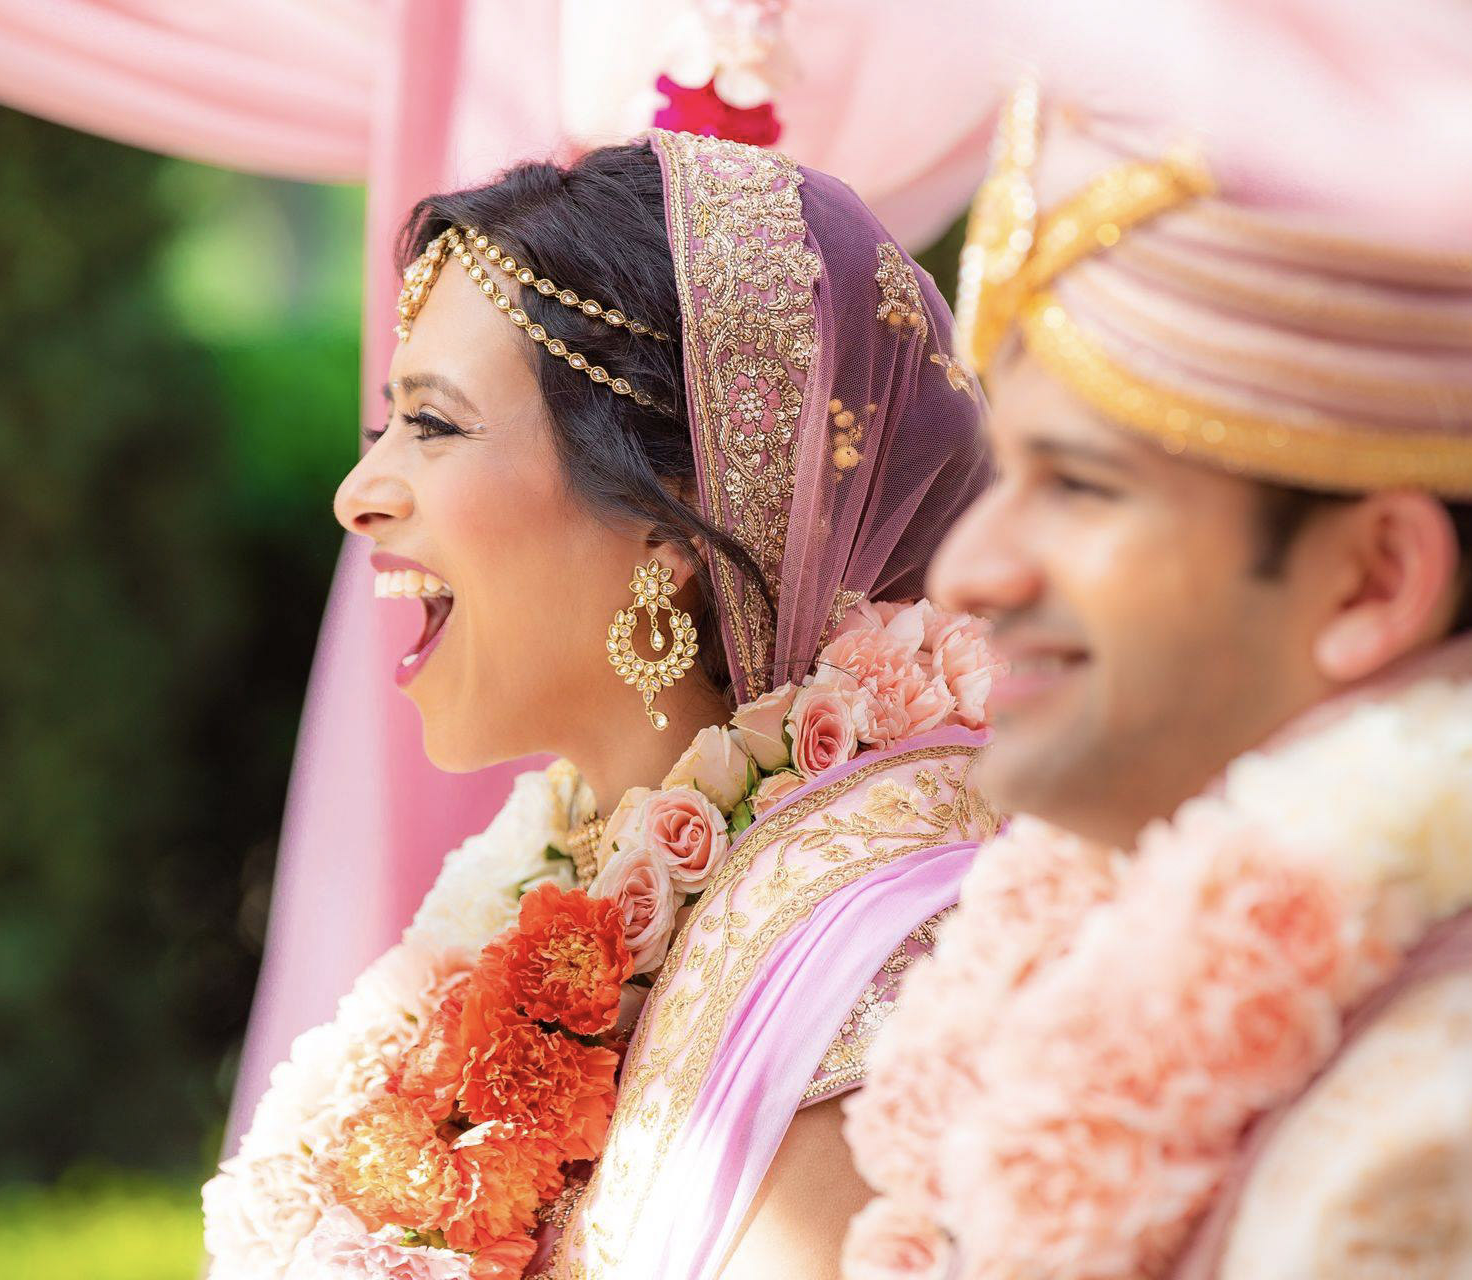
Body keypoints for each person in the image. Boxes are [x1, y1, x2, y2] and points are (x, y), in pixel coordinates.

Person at [203, 130, 995, 1280]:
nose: (358, 492)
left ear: (675, 516)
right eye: (387, 425)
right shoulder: (564, 855)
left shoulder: (877, 977)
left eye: (432, 424)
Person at [845, 83, 1472, 1280]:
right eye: (1002, 473)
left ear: (1373, 580)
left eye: (1077, 483)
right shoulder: (1110, 934)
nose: (964, 571)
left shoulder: (1455, 1122)